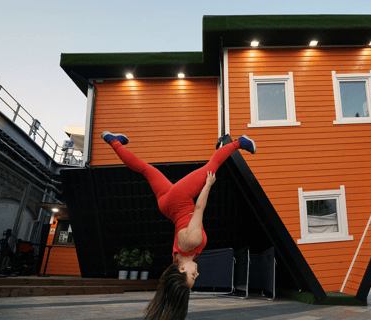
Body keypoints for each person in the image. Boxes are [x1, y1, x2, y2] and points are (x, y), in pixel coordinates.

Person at [100, 131, 256, 320]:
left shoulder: (192, 242)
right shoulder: (177, 258)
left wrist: (208, 185)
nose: (197, 273)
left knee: (212, 166)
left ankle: (241, 142)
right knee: (144, 169)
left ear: (182, 270)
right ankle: (113, 141)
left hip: (180, 199)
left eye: (193, 276)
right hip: (166, 207)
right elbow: (172, 281)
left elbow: (199, 208)